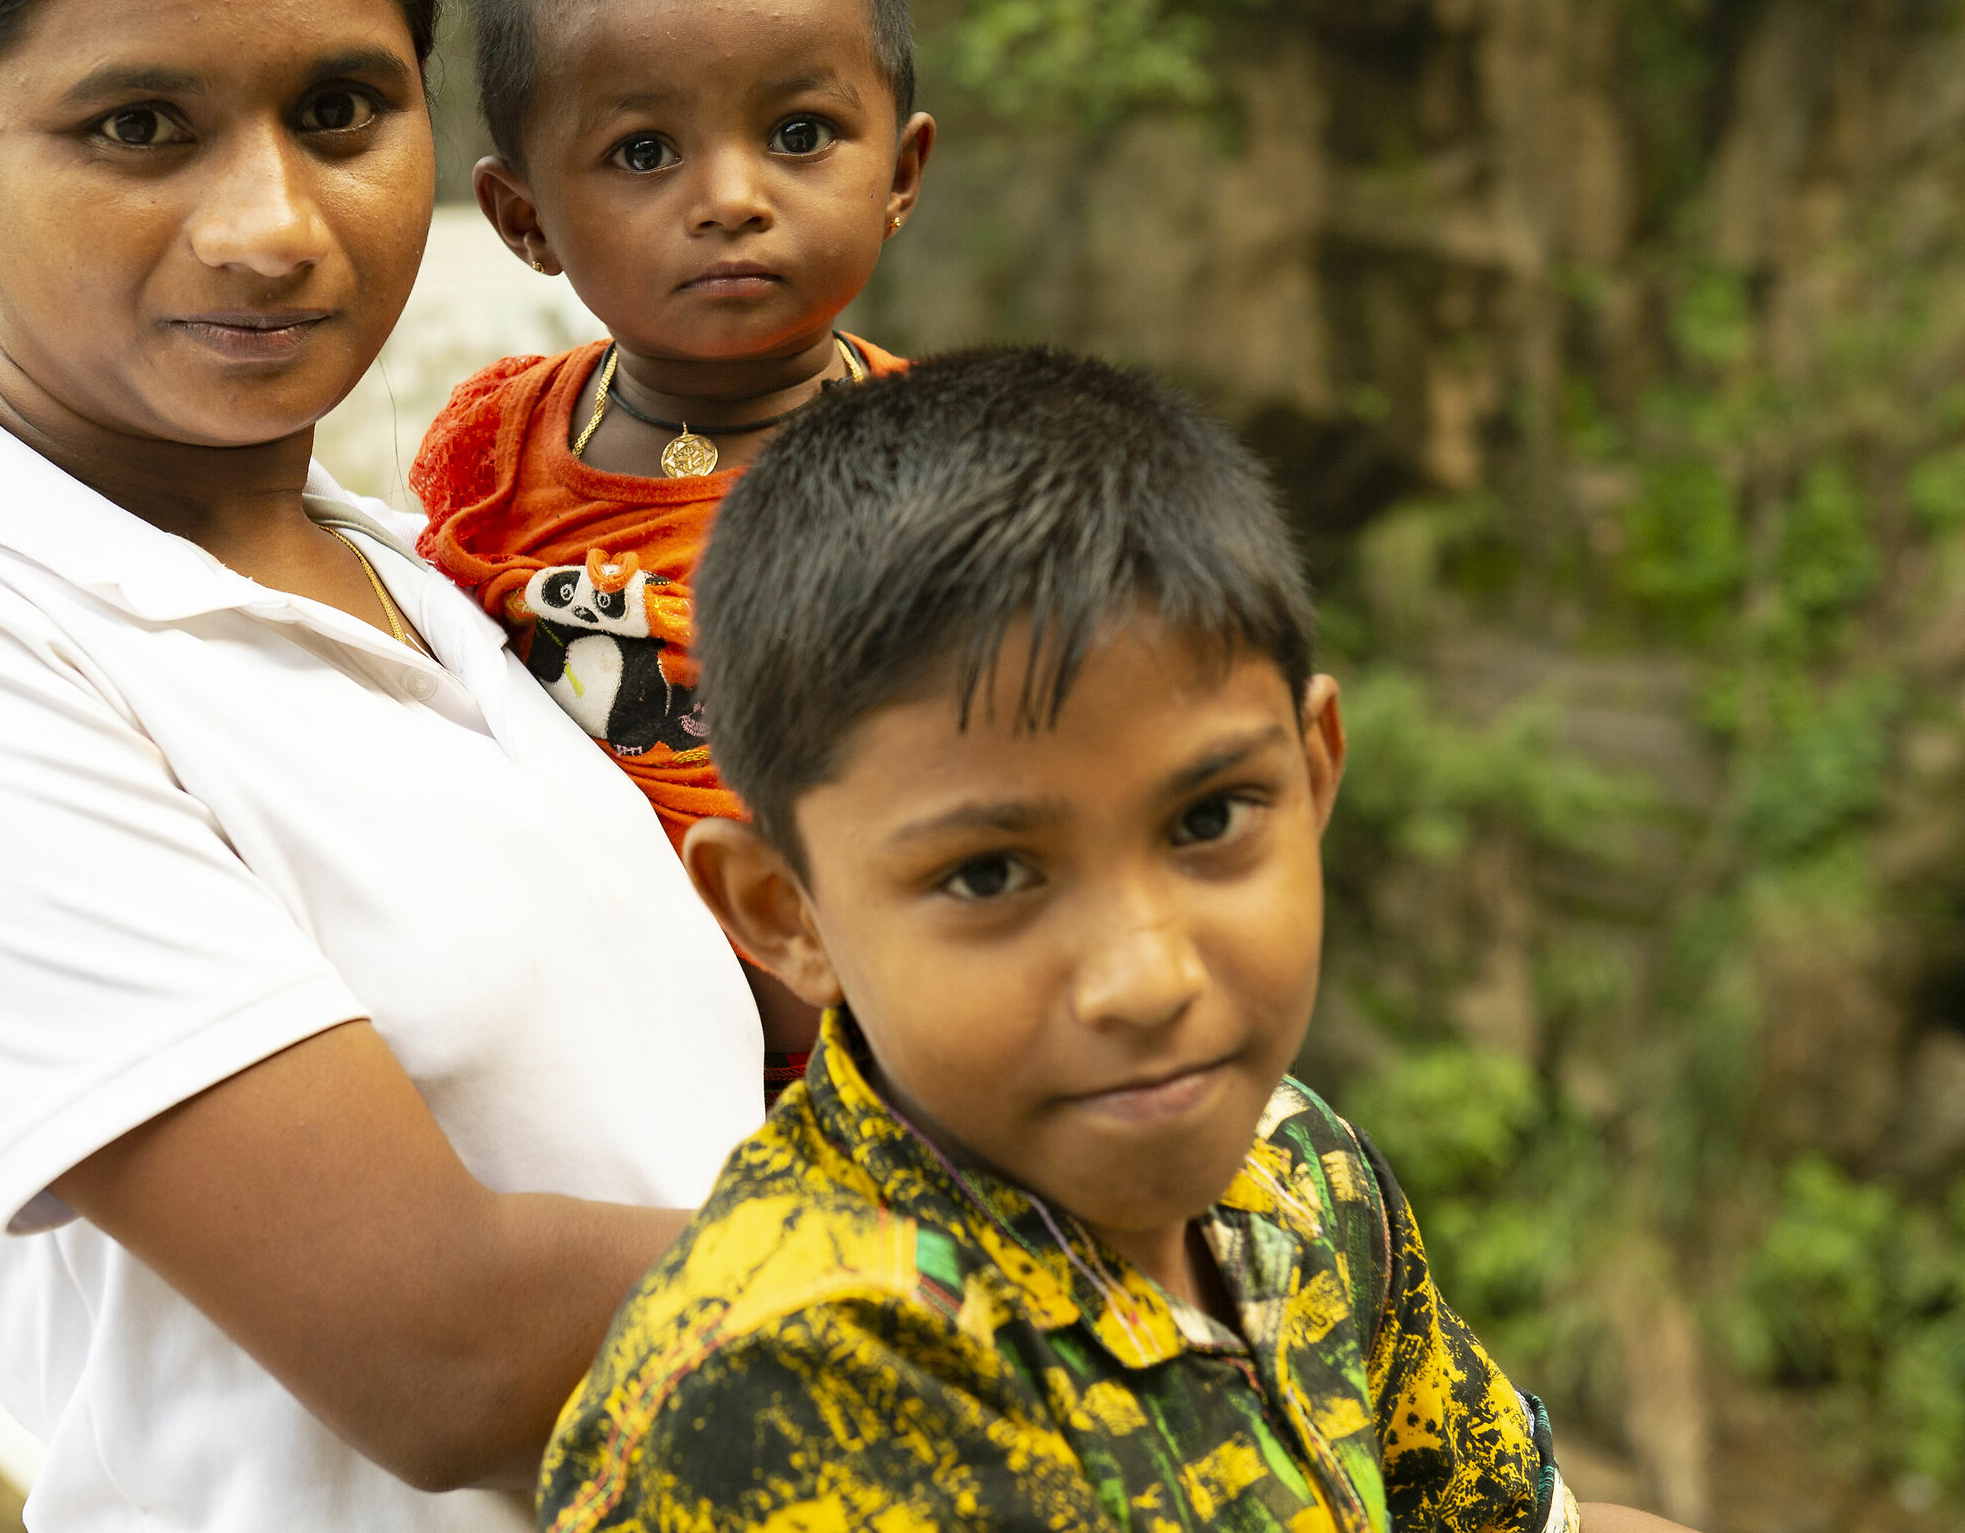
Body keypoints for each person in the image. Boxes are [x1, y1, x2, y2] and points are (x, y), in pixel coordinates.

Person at [0, 0, 763, 1531]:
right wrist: (1076, 1258)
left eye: (340, 110)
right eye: (141, 127)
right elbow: (437, 1350)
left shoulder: (448, 584)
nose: (273, 226)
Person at [537, 349, 1694, 1533]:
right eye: (989, 875)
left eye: (1208, 820)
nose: (1146, 978)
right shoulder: (779, 1401)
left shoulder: (1295, 1169)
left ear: (1313, 772)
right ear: (783, 913)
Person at [410, 0, 933, 1102]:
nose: (734, 197)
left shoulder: (940, 475)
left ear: (901, 175)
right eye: (645, 153)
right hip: (567, 1065)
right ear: (525, 218)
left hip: (871, 1080)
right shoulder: (493, 444)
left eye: (802, 133)